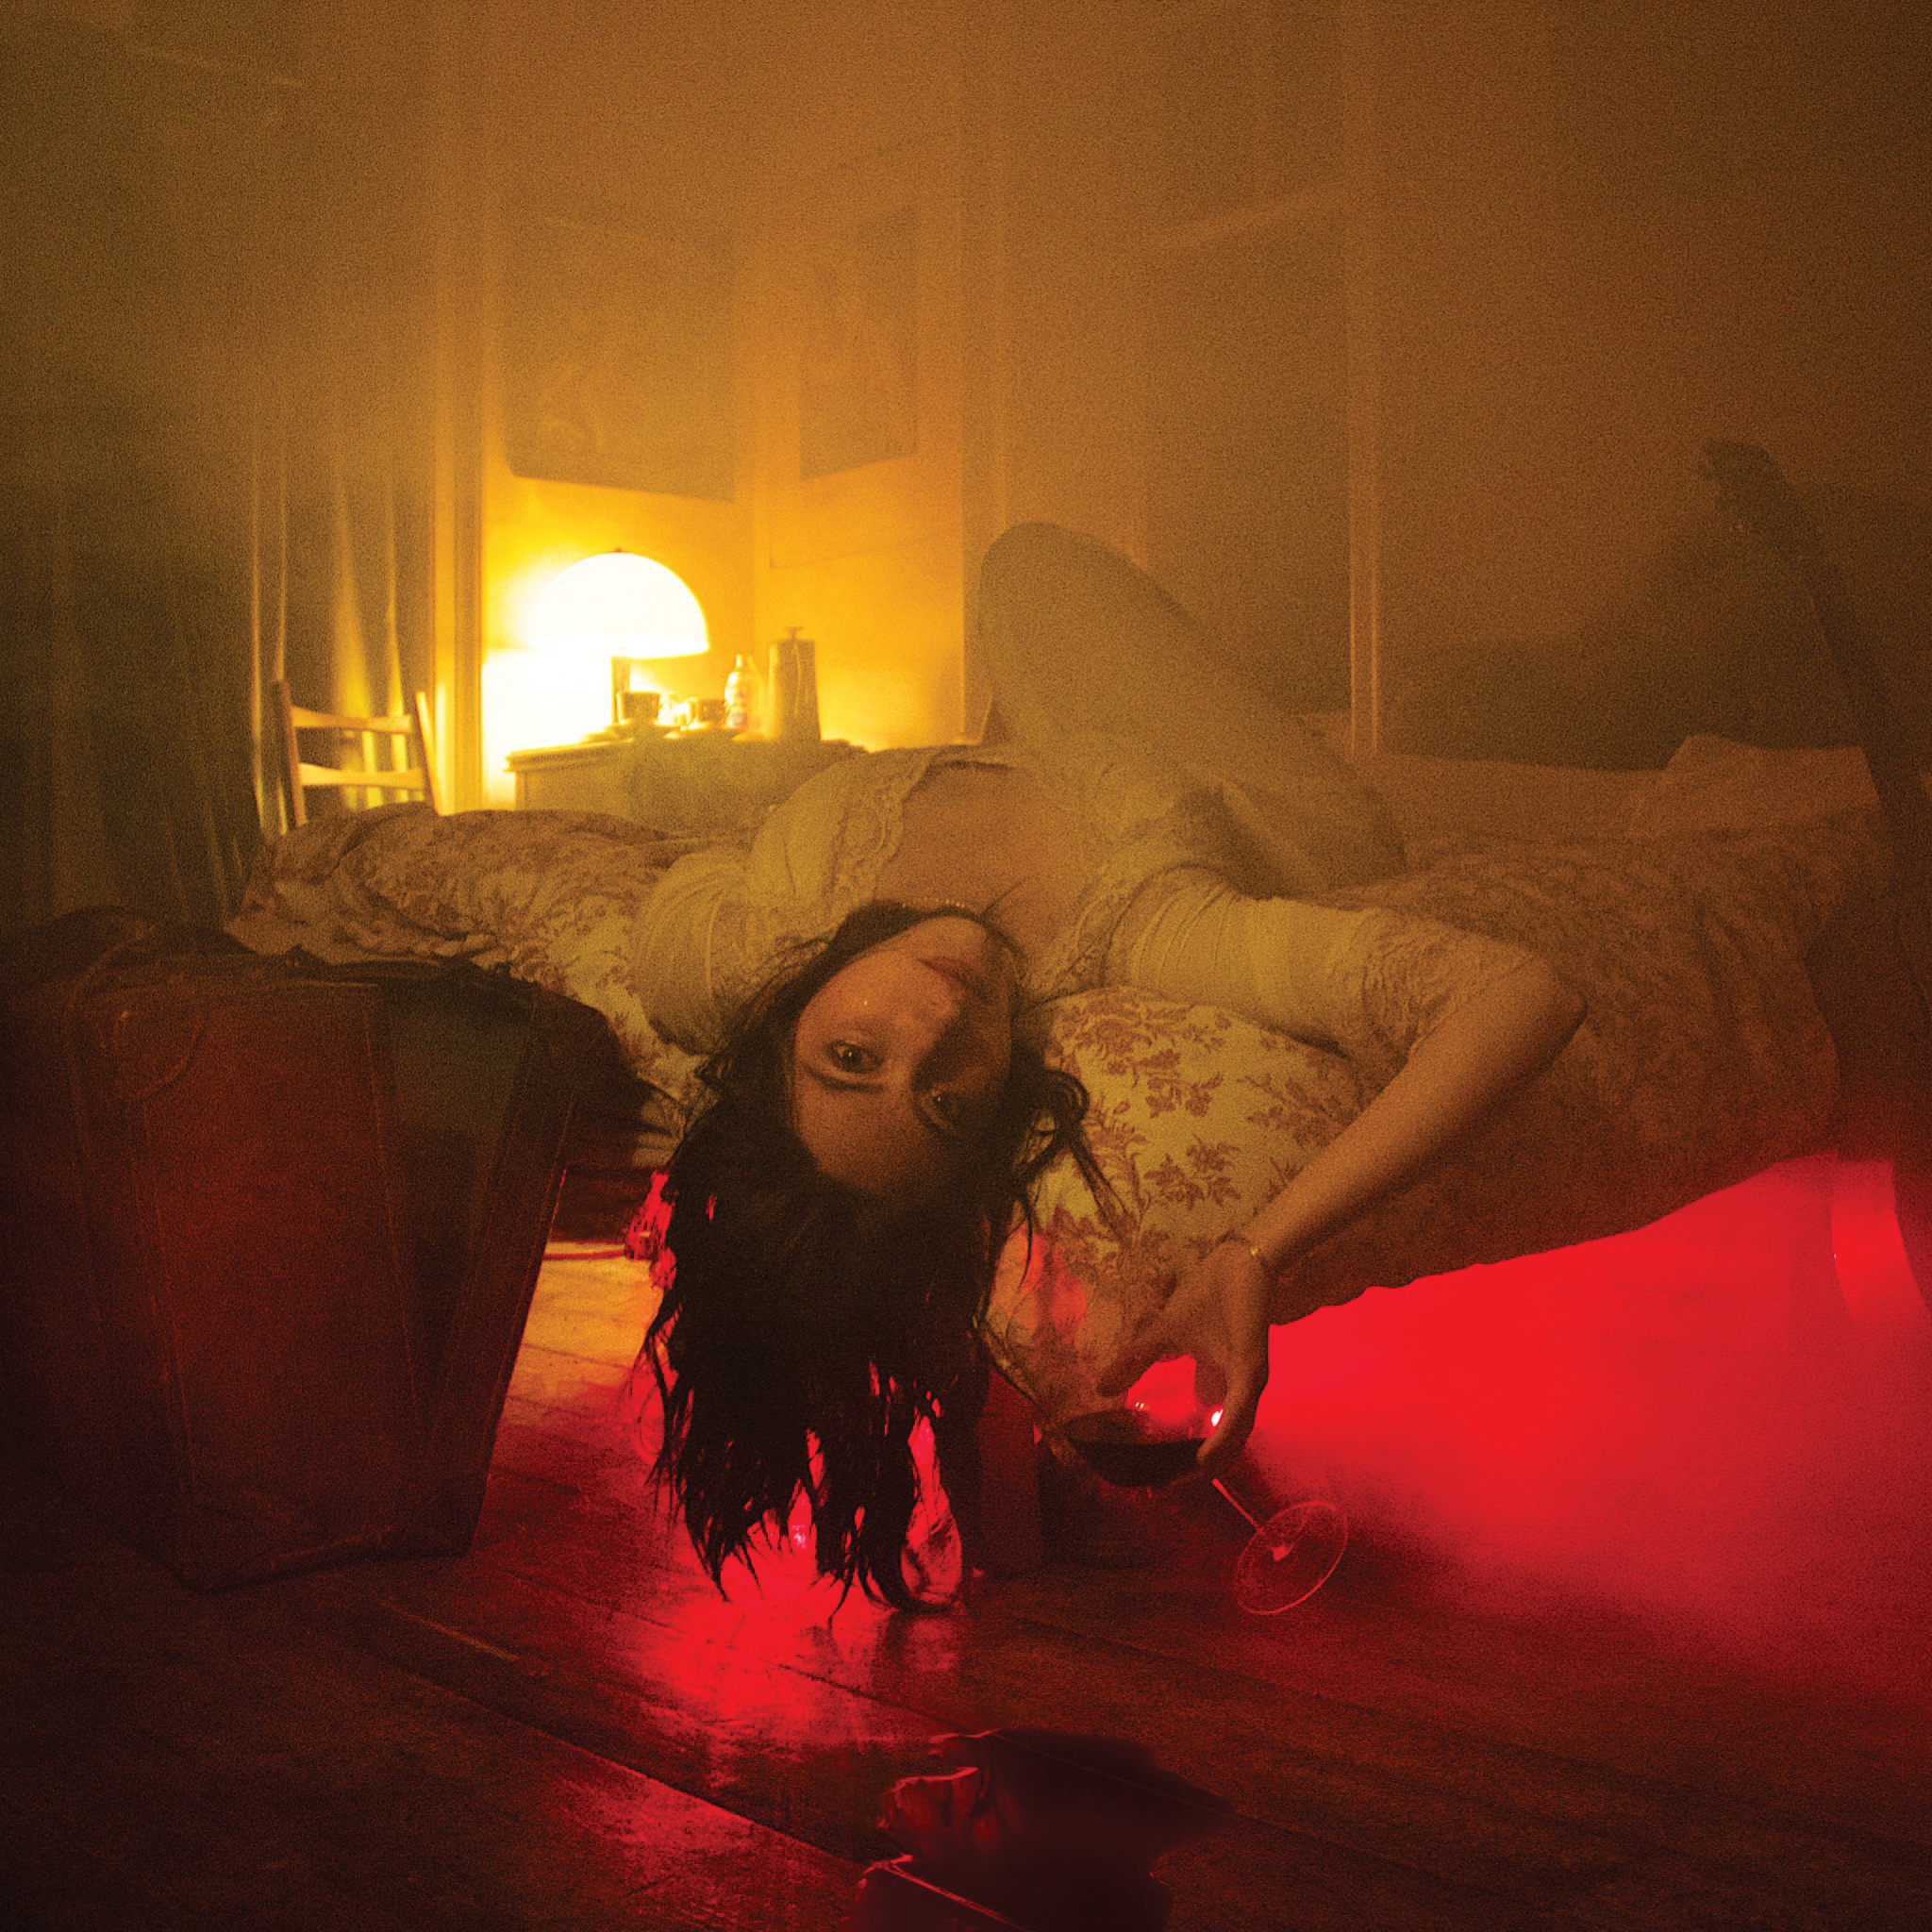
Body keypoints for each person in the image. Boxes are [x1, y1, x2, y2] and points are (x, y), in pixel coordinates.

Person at [634, 524, 1585, 1607]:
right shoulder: (1150, 924)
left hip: (1051, 740)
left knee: (1018, 573)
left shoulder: (733, 956)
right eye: (943, 1103)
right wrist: (1253, 1251)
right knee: (1032, 567)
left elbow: (680, 904)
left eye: (854, 1054)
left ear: (783, 1021)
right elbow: (1520, 995)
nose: (936, 1020)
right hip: (1293, 816)